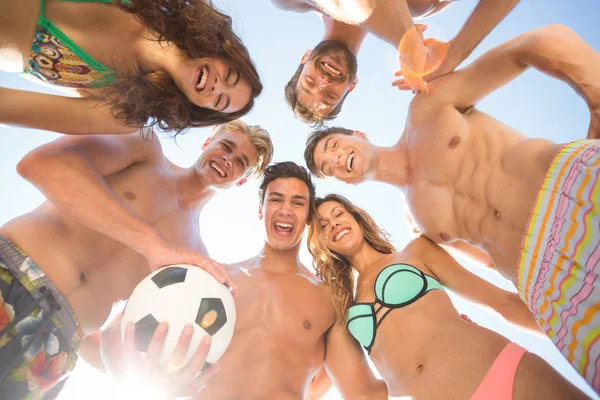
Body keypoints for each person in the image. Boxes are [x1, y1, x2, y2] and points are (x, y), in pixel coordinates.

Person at [303, 24, 600, 391]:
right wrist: (558, 324)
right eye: (327, 167)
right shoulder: (420, 227)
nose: (335, 159)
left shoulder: (427, 107)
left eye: (332, 145)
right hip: (549, 285)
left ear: (357, 134)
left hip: (576, 194)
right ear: (344, 183)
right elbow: (493, 270)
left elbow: (533, 45)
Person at [0, 119, 273, 399]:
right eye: (225, 146)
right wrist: (153, 244)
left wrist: (143, 375)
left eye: (241, 162)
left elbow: (115, 336)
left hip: (55, 349)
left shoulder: (195, 258)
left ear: (241, 180)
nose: (228, 159)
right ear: (207, 143)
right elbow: (40, 165)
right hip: (10, 275)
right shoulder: (145, 148)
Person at [101, 162, 387, 399]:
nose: (286, 210)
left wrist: (424, 368)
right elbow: (115, 334)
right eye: (276, 199)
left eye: (298, 202)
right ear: (261, 210)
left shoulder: (328, 299)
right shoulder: (210, 277)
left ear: (308, 218)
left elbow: (363, 393)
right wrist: (144, 374)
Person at [309, 193, 588, 399]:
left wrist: (578, 337)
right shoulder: (342, 309)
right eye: (322, 225)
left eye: (338, 214)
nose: (333, 224)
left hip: (501, 371)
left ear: (356, 217)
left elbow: (501, 302)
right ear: (321, 243)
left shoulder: (417, 251)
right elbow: (349, 389)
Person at [0, 0, 262, 135]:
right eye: (229, 75)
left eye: (220, 101)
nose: (218, 87)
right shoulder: (146, 5)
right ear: (220, 51)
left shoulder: (123, 111)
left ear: (200, 107)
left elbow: (7, 107)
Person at [281, 0, 519, 126]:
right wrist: (453, 56)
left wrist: (408, 45)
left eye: (309, 82)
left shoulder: (296, 2)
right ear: (352, 84)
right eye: (330, 96)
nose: (323, 82)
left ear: (304, 59)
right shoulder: (422, 7)